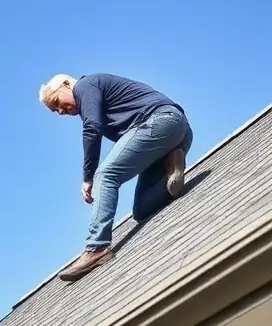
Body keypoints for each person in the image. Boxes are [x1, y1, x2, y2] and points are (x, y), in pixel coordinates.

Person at [39, 73, 193, 282]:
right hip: (176, 131)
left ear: (67, 84)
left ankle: (97, 247)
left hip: (160, 121)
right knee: (141, 210)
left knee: (106, 174)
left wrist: (88, 177)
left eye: (57, 102)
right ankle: (170, 172)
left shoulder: (85, 86)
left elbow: (92, 128)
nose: (60, 111)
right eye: (54, 111)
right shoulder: (93, 94)